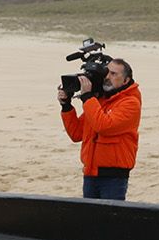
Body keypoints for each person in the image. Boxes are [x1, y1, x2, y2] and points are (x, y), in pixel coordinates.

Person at [58, 57, 141, 199]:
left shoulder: (130, 103)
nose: (107, 77)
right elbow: (76, 133)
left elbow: (103, 126)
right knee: (91, 220)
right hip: (90, 173)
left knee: (109, 220)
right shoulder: (101, 101)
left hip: (113, 177)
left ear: (126, 81)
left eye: (114, 74)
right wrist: (66, 106)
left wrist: (88, 98)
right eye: (107, 73)